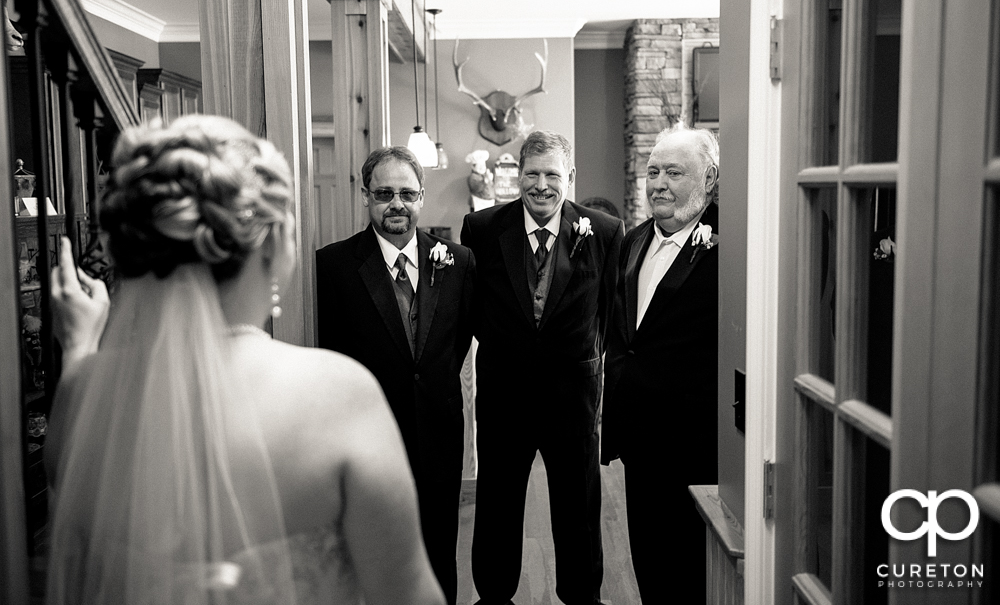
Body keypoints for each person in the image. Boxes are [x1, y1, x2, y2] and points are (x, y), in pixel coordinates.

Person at [45, 115, 445, 605]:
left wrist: (79, 350)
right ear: (275, 244)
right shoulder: (338, 394)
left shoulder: (83, 391)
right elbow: (407, 595)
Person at [460, 130, 624, 605]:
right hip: (503, 395)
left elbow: (608, 318)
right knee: (496, 504)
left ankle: (581, 596)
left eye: (552, 174)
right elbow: (473, 313)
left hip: (572, 398)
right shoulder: (483, 229)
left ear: (569, 177)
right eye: (532, 173)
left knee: (578, 506)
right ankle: (493, 595)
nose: (541, 185)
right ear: (518, 175)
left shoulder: (605, 232)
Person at [315, 146, 475, 605]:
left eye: (407, 193)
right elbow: (332, 354)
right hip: (370, 439)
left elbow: (456, 340)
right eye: (384, 193)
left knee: (441, 549)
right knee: (374, 554)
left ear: (422, 197)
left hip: (439, 433)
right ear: (365, 196)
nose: (397, 204)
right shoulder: (333, 266)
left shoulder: (459, 262)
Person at [600, 123, 720, 602]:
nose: (658, 184)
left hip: (696, 446)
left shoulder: (729, 247)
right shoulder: (632, 241)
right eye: (653, 172)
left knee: (691, 569)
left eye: (674, 172)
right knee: (648, 560)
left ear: (709, 180)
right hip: (639, 440)